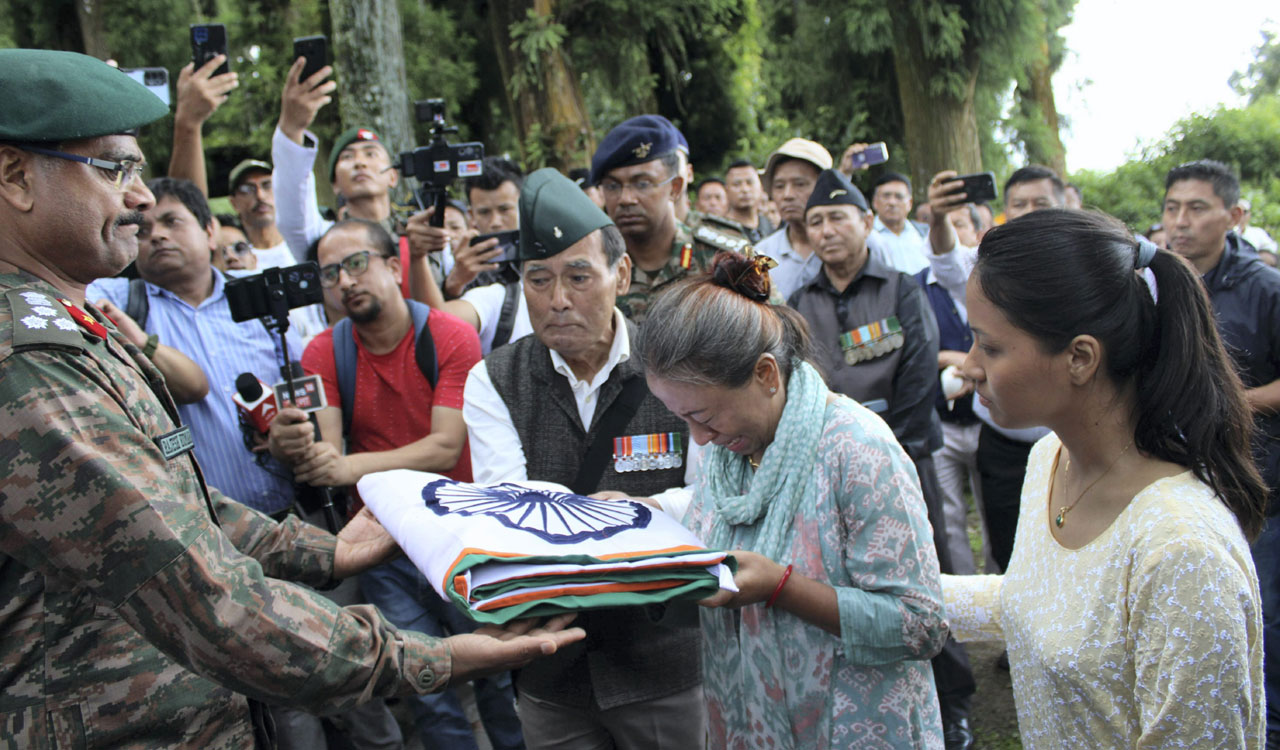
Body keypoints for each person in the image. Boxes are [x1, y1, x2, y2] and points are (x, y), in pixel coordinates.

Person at [0, 47, 582, 749]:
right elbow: (201, 594)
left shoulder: (64, 329)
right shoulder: (25, 362)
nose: (142, 197)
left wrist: (322, 554)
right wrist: (431, 657)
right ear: (15, 177)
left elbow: (175, 503)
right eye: (114, 167)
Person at [942, 208, 1266, 748]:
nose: (969, 366)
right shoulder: (1051, 459)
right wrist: (872, 590)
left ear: (1080, 358)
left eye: (990, 346)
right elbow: (1035, 601)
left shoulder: (1182, 552)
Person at [636, 251, 948, 748]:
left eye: (705, 416)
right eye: (683, 419)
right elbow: (710, 516)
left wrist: (783, 588)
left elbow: (920, 624)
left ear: (766, 375)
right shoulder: (731, 455)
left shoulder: (857, 449)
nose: (698, 439)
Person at [465, 167, 704, 749]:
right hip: (552, 669)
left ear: (620, 274)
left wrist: (637, 508)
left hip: (667, 659)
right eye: (538, 280)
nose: (558, 300)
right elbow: (507, 514)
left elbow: (712, 496)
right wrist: (634, 520)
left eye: (578, 276)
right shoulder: (494, 379)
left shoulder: (675, 359)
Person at [269, 218, 526, 750]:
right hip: (383, 543)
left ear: (393, 265)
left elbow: (444, 447)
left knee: (497, 669)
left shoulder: (448, 335)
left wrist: (347, 467)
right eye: (330, 273)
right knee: (423, 685)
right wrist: (292, 444)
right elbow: (327, 454)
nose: (344, 281)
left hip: (463, 534)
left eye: (356, 263)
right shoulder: (324, 350)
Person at [788, 169, 976, 747]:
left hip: (903, 458)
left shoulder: (900, 286)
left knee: (925, 579)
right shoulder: (799, 299)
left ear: (867, 222)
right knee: (848, 581)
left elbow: (920, 375)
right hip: (826, 468)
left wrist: (885, 453)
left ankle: (953, 701)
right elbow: (799, 385)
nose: (826, 230)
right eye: (815, 221)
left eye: (838, 217)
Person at [1163, 159, 1280, 747]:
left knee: (1261, 626)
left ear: (1234, 217)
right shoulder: (1154, 285)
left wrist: (1229, 401)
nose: (1181, 222)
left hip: (1257, 489)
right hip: (1178, 485)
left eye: (1197, 208)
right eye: (1171, 208)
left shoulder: (1266, 290)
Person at [591, 114, 750, 324]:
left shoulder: (724, 258)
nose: (626, 199)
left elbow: (777, 339)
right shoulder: (594, 265)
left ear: (675, 188)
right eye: (612, 186)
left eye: (642, 184)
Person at [754, 137, 833, 300]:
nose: (787, 195)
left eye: (800, 184)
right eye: (779, 186)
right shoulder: (762, 254)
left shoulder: (858, 247)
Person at [870, 172, 931, 274]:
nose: (892, 202)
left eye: (899, 197)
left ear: (910, 203)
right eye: (886, 196)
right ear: (875, 202)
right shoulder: (867, 236)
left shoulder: (925, 233)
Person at [723, 159, 775, 243]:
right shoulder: (720, 231)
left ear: (761, 187)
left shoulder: (768, 225)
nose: (745, 189)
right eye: (737, 184)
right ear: (726, 190)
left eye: (750, 182)